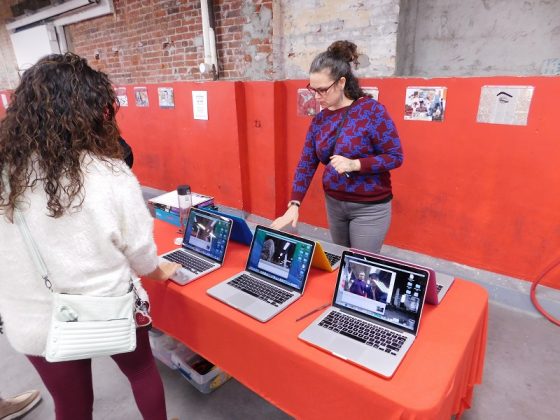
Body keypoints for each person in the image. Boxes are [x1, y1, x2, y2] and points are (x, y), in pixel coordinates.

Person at [0, 53, 181, 420]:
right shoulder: (109, 174)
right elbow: (141, 254)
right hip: (108, 308)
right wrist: (157, 270)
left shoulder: (5, 175)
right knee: (143, 372)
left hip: (35, 321)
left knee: (72, 406)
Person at [271, 40, 403, 253]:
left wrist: (356, 164)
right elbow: (306, 163)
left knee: (361, 268)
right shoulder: (320, 119)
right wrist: (294, 204)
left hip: (369, 207)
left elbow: (395, 156)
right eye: (313, 90)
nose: (316, 97)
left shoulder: (371, 111)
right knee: (341, 259)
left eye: (322, 90)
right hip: (334, 204)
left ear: (341, 82)